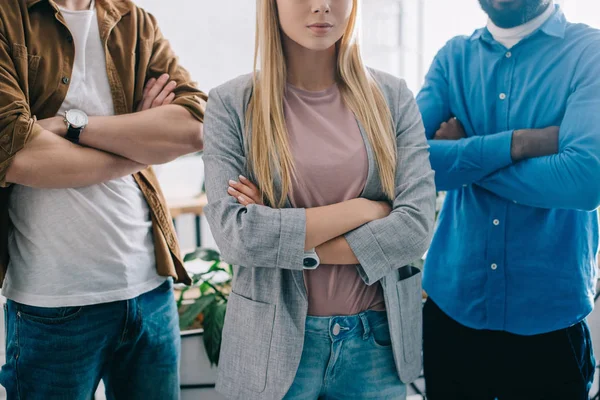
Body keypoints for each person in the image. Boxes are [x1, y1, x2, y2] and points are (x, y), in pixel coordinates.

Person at [202, 1, 436, 399]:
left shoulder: (393, 97)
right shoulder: (231, 103)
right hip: (271, 347)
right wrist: (364, 210)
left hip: (376, 344)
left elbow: (414, 229)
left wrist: (280, 228)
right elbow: (237, 237)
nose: (322, 6)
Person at [0, 0, 207, 398]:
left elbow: (193, 127)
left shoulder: (135, 21)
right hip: (52, 304)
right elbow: (19, 155)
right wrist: (142, 145)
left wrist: (69, 125)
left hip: (150, 292)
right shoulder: (8, 18)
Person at [417, 0, 600, 398]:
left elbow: (585, 181)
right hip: (453, 312)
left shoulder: (591, 52)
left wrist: (464, 155)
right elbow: (408, 166)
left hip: (550, 321)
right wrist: (521, 143)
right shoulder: (453, 58)